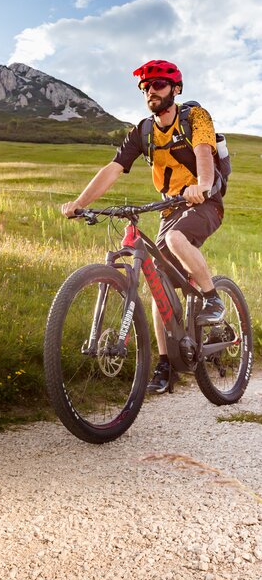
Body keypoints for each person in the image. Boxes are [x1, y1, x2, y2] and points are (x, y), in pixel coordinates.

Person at [61, 59, 225, 394]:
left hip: (204, 202)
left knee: (177, 238)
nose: (152, 91)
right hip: (170, 208)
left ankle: (213, 299)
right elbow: (113, 168)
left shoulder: (195, 117)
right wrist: (79, 202)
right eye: (146, 87)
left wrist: (202, 186)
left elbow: (204, 154)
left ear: (175, 89)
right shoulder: (143, 131)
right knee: (158, 282)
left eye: (159, 84)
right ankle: (166, 363)